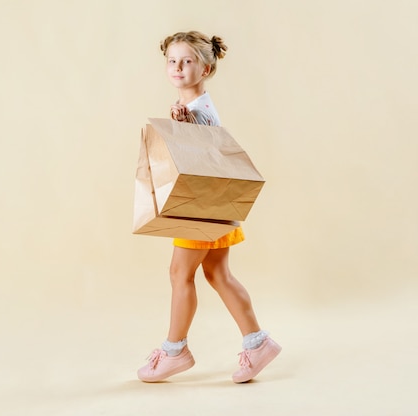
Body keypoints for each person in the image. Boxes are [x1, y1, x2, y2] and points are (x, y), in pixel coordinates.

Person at [137, 31, 281, 384]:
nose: (178, 68)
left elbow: (203, 151)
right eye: (172, 61)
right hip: (215, 206)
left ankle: (174, 351)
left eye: (187, 61)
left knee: (179, 274)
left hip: (200, 208)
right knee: (218, 275)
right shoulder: (194, 106)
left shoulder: (197, 109)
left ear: (206, 68)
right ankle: (257, 343)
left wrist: (184, 123)